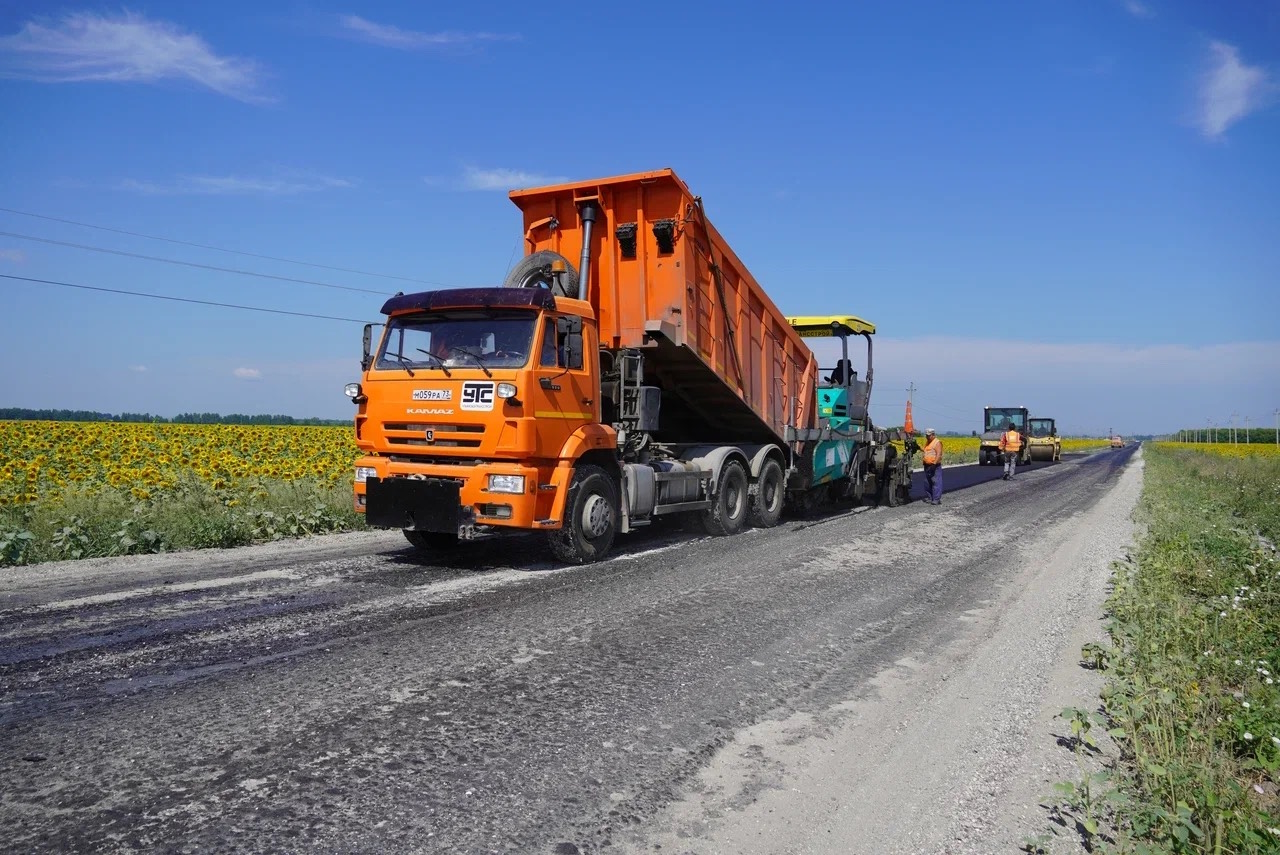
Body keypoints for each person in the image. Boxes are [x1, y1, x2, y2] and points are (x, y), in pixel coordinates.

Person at [920, 428, 943, 504]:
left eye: (928, 435)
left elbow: (939, 454)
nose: (927, 437)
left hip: (934, 466)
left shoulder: (937, 442)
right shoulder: (928, 442)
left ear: (933, 435)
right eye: (926, 435)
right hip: (927, 465)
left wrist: (934, 464)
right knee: (927, 482)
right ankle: (930, 497)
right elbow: (926, 451)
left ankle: (936, 499)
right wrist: (918, 447)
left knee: (935, 482)